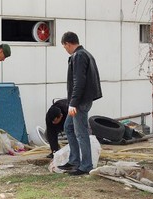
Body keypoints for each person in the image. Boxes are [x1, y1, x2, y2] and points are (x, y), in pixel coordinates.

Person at [58, 31, 102, 175]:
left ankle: (86, 165)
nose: (66, 50)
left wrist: (73, 103)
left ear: (68, 44)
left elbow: (79, 81)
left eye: (65, 47)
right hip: (81, 100)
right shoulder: (85, 54)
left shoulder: (79, 56)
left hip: (79, 102)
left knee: (81, 133)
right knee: (68, 127)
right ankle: (74, 160)